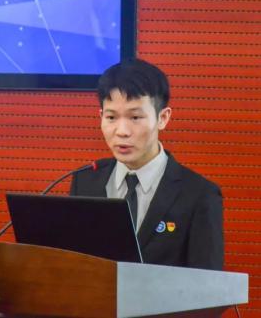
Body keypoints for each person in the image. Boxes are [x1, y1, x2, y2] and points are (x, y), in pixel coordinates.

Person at [70, 58, 224, 270]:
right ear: (101, 116)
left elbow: (209, 283)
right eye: (111, 117)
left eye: (135, 117)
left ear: (163, 118)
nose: (122, 131)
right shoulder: (85, 181)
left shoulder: (199, 195)